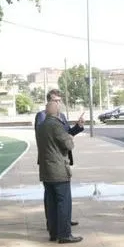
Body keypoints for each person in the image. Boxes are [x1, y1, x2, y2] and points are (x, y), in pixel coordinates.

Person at [35, 89, 84, 226]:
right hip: (51, 160)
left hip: (62, 158)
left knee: (61, 197)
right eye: (56, 100)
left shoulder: (61, 116)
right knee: (52, 196)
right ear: (49, 101)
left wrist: (78, 127)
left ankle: (64, 220)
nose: (58, 103)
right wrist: (66, 140)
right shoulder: (42, 116)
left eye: (59, 100)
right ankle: (52, 223)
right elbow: (45, 136)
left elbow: (67, 133)